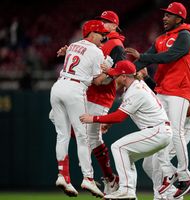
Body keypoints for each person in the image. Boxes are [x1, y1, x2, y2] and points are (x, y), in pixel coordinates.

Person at [126, 2, 190, 198]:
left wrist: (143, 57)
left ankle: (184, 175)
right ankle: (168, 173)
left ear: (179, 18)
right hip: (163, 89)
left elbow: (170, 56)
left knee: (175, 132)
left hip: (180, 90)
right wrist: (128, 70)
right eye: (164, 15)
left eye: (169, 15)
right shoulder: (161, 38)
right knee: (163, 133)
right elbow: (146, 58)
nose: (164, 18)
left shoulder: (185, 35)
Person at [80, 60, 173, 199]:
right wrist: (108, 124)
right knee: (126, 156)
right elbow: (123, 111)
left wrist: (93, 118)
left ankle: (127, 189)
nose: (114, 77)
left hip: (157, 131)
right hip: (158, 130)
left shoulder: (136, 90)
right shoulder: (135, 86)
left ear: (124, 76)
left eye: (117, 75)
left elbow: (119, 117)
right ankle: (129, 193)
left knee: (118, 147)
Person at [56, 11, 126, 195]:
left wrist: (108, 113)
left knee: (86, 137)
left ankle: (103, 178)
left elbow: (121, 73)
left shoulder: (117, 45)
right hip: (85, 91)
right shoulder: (99, 43)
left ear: (115, 26)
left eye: (106, 22)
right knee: (86, 136)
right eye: (101, 21)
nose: (102, 24)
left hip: (100, 95)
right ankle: (107, 178)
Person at [50, 20, 109, 198]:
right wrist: (111, 72)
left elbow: (76, 58)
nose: (103, 37)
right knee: (83, 137)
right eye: (101, 34)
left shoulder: (74, 45)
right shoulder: (96, 51)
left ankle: (63, 175)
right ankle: (88, 178)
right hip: (75, 89)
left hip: (58, 86)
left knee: (62, 135)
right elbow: (99, 81)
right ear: (91, 34)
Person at [143, 85, 190, 200]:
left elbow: (188, 113)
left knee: (157, 162)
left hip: (179, 133)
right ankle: (175, 196)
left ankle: (159, 196)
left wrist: (177, 100)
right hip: (164, 131)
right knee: (147, 165)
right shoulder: (170, 83)